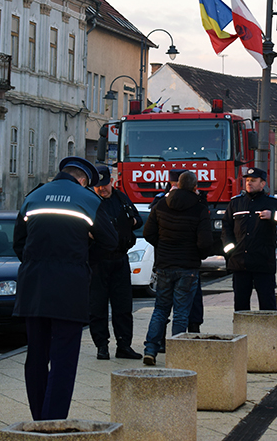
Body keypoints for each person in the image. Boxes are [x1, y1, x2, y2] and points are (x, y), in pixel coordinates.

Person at [12, 156, 118, 420]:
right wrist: (83, 258)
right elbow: (110, 242)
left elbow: (18, 243)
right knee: (64, 359)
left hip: (33, 287)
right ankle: (53, 420)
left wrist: (37, 262)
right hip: (70, 289)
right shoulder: (88, 200)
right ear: (83, 180)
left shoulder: (33, 197)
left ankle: (39, 419)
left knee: (36, 356)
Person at [142, 170, 213, 365]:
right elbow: (205, 242)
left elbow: (149, 233)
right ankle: (177, 355)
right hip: (187, 266)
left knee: (160, 309)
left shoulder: (161, 204)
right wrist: (198, 255)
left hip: (164, 264)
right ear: (195, 187)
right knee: (181, 312)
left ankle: (150, 349)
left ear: (177, 185)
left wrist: (163, 246)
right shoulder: (199, 208)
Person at [221, 167, 277, 311]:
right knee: (241, 307)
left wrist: (273, 216)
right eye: (247, 180)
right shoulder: (236, 203)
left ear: (262, 184)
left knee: (267, 306)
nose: (249, 183)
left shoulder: (272, 203)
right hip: (240, 263)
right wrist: (230, 251)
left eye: (253, 181)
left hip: (263, 263)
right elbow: (226, 228)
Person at [88, 164, 143, 360]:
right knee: (98, 307)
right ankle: (102, 346)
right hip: (98, 261)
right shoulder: (90, 201)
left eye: (104, 184)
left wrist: (131, 223)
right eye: (98, 186)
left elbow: (137, 218)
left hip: (120, 258)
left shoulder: (121, 197)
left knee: (123, 306)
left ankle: (124, 345)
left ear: (111, 181)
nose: (102, 189)